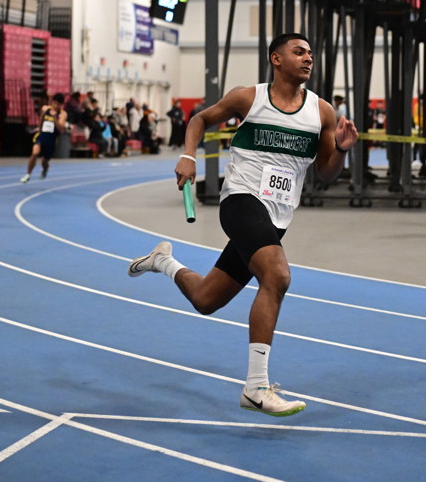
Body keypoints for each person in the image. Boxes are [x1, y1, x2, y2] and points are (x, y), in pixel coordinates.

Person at [128, 32, 359, 417]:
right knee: (278, 275)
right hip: (240, 201)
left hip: (276, 216)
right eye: (299, 52)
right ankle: (256, 387)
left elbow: (326, 173)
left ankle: (163, 261)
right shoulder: (248, 98)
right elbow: (200, 119)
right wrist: (189, 156)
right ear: (276, 59)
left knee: (206, 300)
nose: (308, 58)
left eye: (310, 53)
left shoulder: (322, 113)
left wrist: (342, 151)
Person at [21, 93, 66, 182]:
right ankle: (28, 174)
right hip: (42, 136)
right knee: (35, 153)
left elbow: (61, 129)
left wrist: (55, 118)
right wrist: (39, 127)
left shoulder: (62, 114)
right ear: (52, 102)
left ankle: (45, 169)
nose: (55, 106)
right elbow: (42, 119)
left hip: (51, 140)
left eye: (58, 104)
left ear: (61, 104)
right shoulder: (45, 108)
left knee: (44, 162)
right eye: (54, 103)